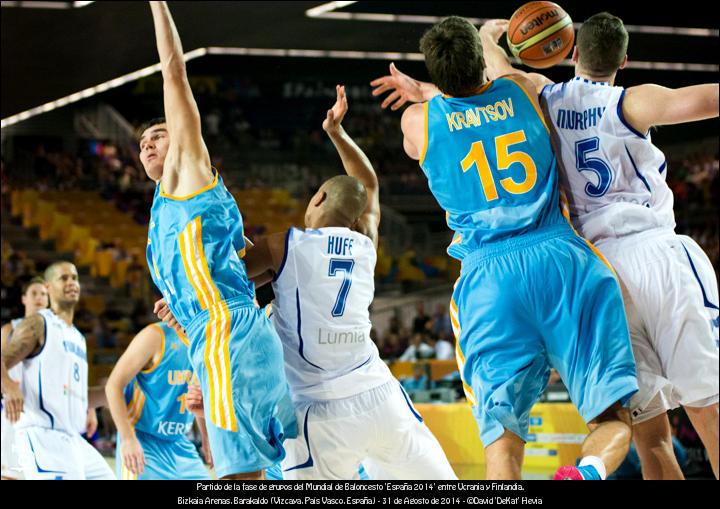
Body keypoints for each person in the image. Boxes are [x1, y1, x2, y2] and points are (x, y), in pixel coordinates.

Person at [371, 16, 638, 480]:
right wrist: (491, 40)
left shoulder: (417, 122)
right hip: (561, 260)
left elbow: (459, 112)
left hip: (489, 281)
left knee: (502, 446)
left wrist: (429, 92)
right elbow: (492, 84)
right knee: (611, 420)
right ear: (482, 64)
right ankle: (587, 472)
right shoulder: (524, 91)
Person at [475, 13, 719, 480]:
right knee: (709, 411)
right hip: (656, 255)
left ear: (571, 53)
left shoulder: (542, 96)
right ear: (624, 60)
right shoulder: (632, 102)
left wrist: (490, 34)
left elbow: (499, 70)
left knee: (652, 437)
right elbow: (708, 98)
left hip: (600, 273)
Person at [168, 86, 456, 480]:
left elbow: (224, 279)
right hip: (378, 390)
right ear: (357, 217)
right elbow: (367, 184)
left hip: (319, 406)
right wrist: (338, 134)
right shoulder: (365, 242)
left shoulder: (286, 244)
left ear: (318, 199)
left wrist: (183, 300)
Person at [140, 1, 296, 480]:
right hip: (220, 330)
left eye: (159, 134)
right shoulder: (161, 216)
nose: (149, 143)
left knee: (237, 475)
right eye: (142, 142)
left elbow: (174, 74)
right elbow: (235, 264)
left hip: (226, 332)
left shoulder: (188, 174)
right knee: (277, 468)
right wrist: (183, 309)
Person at [0, 261, 114, 479]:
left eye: (74, 278)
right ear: (49, 287)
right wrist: (9, 387)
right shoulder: (37, 324)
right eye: (64, 278)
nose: (71, 282)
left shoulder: (78, 337)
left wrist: (115, 390)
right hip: (42, 436)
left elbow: (78, 396)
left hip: (73, 438)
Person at [105, 322, 211, 480]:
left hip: (180, 442)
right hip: (143, 440)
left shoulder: (205, 340)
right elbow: (113, 385)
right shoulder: (155, 336)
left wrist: (206, 437)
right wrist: (127, 439)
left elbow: (196, 395)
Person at [0, 276, 49, 480]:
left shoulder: (55, 329)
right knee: (11, 471)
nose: (39, 298)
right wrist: (9, 386)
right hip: (15, 407)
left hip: (46, 410)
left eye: (43, 294)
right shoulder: (10, 329)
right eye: (34, 293)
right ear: (23, 299)